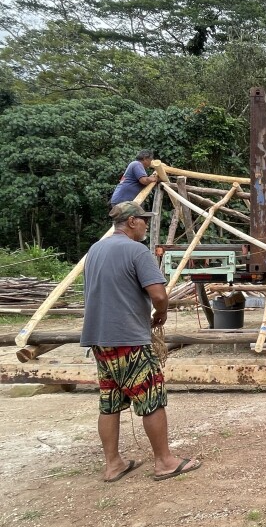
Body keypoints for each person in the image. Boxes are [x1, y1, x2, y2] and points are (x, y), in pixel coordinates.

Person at [80, 201, 201, 483]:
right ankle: (165, 462)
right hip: (129, 339)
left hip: (100, 340)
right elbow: (159, 295)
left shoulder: (96, 249)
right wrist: (160, 314)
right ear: (132, 221)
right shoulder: (137, 251)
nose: (146, 224)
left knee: (109, 401)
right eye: (143, 219)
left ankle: (113, 464)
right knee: (151, 396)